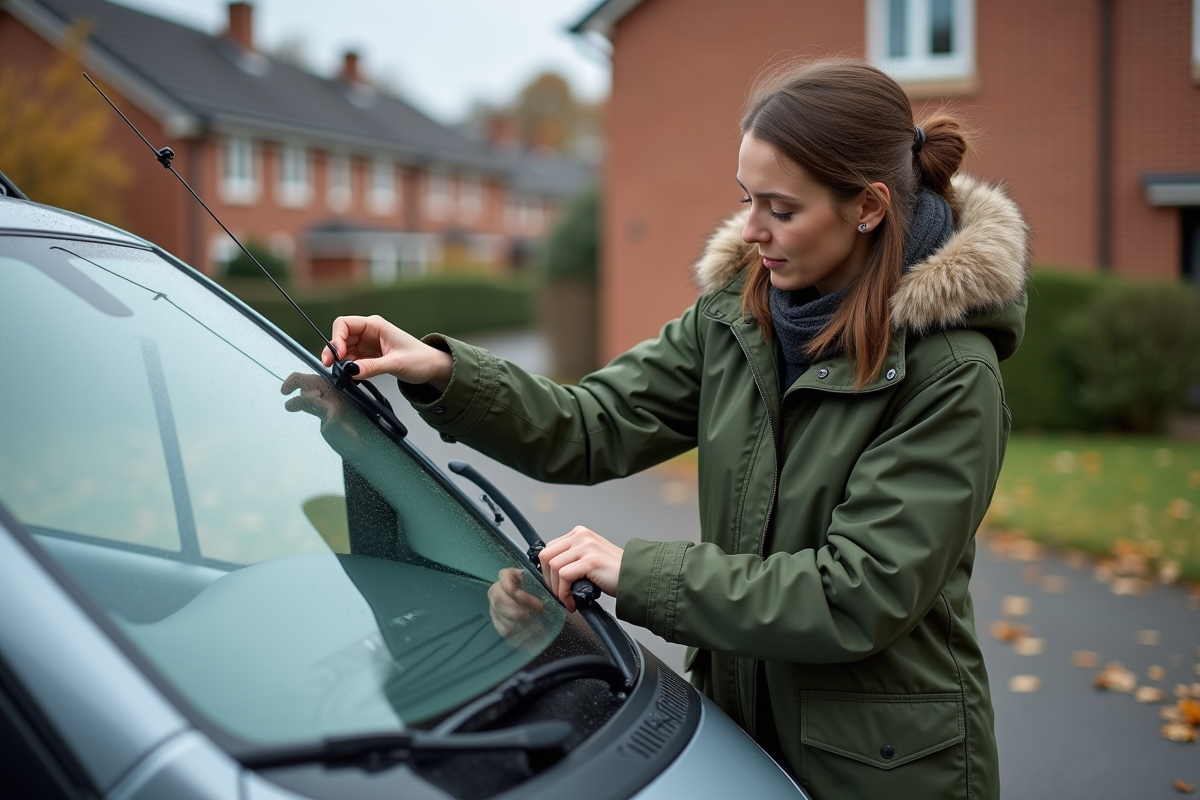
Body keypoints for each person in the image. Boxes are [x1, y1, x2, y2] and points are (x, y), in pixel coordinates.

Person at [322, 58, 1028, 800]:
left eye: (781, 209)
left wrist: (634, 573)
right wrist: (439, 369)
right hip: (737, 739)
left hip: (885, 769)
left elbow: (855, 594)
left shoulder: (950, 374)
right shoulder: (735, 317)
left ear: (868, 207)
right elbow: (591, 424)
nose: (751, 230)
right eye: (746, 199)